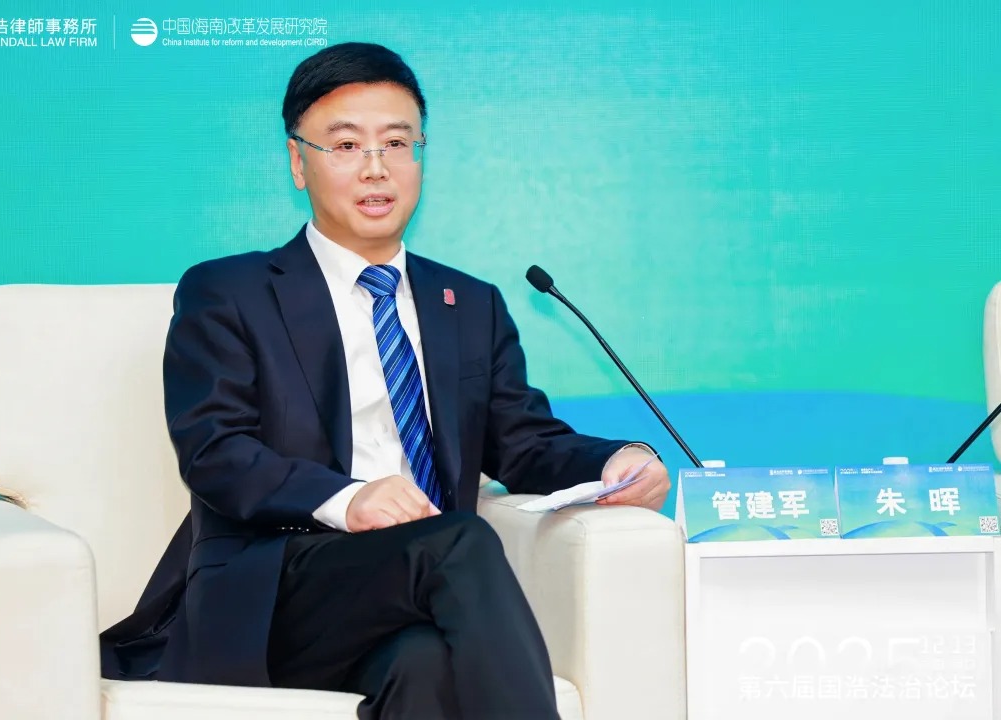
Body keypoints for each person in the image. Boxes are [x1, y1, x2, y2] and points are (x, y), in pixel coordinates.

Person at [100, 41, 671, 719]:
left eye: (397, 144)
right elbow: (215, 452)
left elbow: (522, 442)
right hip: (275, 588)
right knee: (459, 541)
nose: (377, 168)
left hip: (404, 594)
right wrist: (349, 499)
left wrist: (615, 460)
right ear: (298, 163)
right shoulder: (230, 292)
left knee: (424, 665)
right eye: (346, 146)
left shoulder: (471, 304)